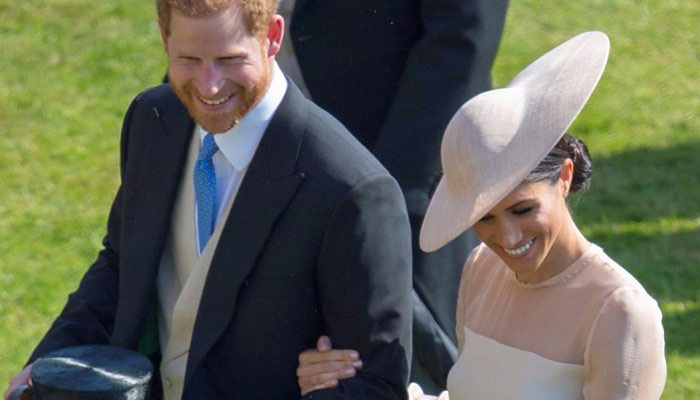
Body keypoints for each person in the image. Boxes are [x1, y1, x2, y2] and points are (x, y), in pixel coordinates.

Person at [3, 1, 413, 399]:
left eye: (229, 59)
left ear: (272, 36)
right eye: (189, 59)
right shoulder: (153, 119)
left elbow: (376, 386)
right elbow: (120, 266)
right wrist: (47, 366)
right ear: (164, 39)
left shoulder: (350, 190)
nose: (209, 85)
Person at [295, 31, 667, 399]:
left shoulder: (620, 312)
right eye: (485, 218)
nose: (507, 238)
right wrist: (346, 380)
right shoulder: (482, 267)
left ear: (565, 177)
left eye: (523, 209)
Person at [277, 0, 510, 392]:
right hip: (274, 158)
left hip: (404, 170)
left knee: (422, 364)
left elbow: (463, 36)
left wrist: (390, 194)